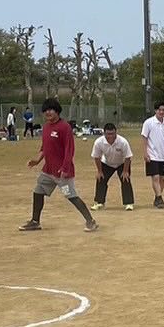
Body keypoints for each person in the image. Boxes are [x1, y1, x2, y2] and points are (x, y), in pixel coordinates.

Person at [20, 97, 98, 232]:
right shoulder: (45, 127)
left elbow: (69, 150)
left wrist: (65, 168)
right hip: (48, 171)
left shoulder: (64, 127)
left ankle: (90, 221)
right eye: (45, 111)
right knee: (38, 192)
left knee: (71, 196)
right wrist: (37, 160)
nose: (48, 113)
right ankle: (35, 221)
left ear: (57, 111)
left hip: (62, 173)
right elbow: (44, 148)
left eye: (50, 110)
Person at [90, 122, 134, 210]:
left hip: (122, 163)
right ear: (104, 133)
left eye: (112, 134)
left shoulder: (123, 142)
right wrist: (99, 171)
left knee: (125, 179)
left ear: (116, 132)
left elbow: (128, 157)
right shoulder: (99, 142)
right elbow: (97, 157)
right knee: (101, 179)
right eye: (108, 134)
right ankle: (100, 202)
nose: (110, 136)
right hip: (107, 163)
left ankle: (128, 203)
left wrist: (125, 171)